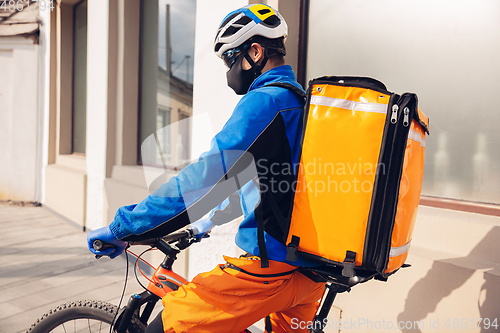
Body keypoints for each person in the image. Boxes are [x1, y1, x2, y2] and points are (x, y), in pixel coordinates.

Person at [87, 4, 325, 332]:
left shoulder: (264, 102)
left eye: (230, 59)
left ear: (255, 52)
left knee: (165, 327)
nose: (229, 71)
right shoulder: (299, 101)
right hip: (309, 275)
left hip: (269, 271)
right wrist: (208, 221)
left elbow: (204, 177)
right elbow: (268, 182)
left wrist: (124, 227)